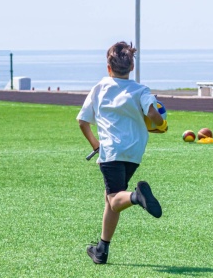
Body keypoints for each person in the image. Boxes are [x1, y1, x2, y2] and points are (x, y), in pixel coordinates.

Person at [77, 41, 168, 264]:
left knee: (116, 200)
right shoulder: (141, 90)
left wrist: (96, 145)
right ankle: (102, 249)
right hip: (134, 153)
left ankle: (137, 197)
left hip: (111, 151)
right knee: (111, 198)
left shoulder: (100, 87)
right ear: (132, 67)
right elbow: (154, 116)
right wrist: (160, 123)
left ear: (108, 67)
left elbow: (82, 121)